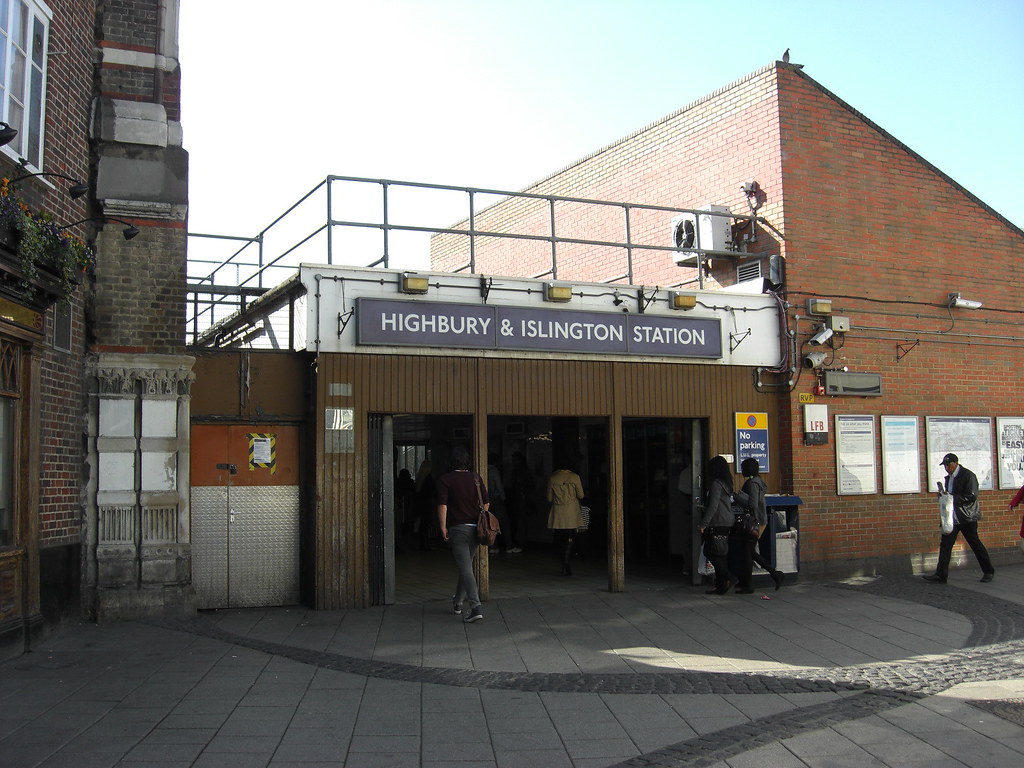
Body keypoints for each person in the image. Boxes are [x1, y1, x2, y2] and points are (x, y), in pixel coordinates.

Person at [923, 453, 995, 584]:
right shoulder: (949, 478)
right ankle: (941, 575)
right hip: (952, 516)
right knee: (945, 545)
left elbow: (971, 495)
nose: (946, 468)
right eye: (945, 466)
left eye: (948, 465)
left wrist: (951, 498)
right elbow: (950, 494)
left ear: (956, 463)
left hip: (967, 516)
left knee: (975, 543)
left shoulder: (968, 476)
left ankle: (988, 571)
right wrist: (943, 496)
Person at [437, 446, 487, 623]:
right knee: (465, 565)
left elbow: (443, 505)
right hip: (475, 528)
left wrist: (443, 526)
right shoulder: (476, 478)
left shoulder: (446, 480)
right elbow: (486, 504)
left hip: (457, 528)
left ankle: (475, 606)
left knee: (465, 567)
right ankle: (458, 602)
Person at [734, 458, 785, 592]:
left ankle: (750, 583)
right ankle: (772, 575)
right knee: (749, 552)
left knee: (748, 552)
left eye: (743, 467)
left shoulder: (752, 483)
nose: (742, 470)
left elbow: (752, 504)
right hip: (759, 520)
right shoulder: (758, 481)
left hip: (754, 522)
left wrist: (736, 497)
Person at [698, 455, 736, 595]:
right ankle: (721, 585)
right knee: (720, 554)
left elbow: (713, 506)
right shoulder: (727, 483)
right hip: (727, 520)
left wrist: (703, 524)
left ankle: (728, 577)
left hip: (718, 521)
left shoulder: (716, 484)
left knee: (710, 551)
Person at [547, 458, 585, 576]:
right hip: (571, 510)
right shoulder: (575, 477)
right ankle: (566, 563)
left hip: (558, 511)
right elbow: (581, 495)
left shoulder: (553, 478)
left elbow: (549, 498)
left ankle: (563, 562)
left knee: (559, 538)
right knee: (570, 536)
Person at [504, 451, 534, 554]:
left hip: (520, 500)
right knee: (520, 522)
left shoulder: (520, 472)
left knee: (520, 522)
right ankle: (521, 543)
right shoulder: (523, 471)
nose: (513, 462)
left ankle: (520, 544)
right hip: (519, 499)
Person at [486, 453, 511, 554]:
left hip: (487, 499)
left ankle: (493, 546)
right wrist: (504, 497)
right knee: (504, 522)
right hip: (496, 499)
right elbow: (499, 485)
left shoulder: (482, 469)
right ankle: (509, 546)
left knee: (491, 523)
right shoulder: (494, 470)